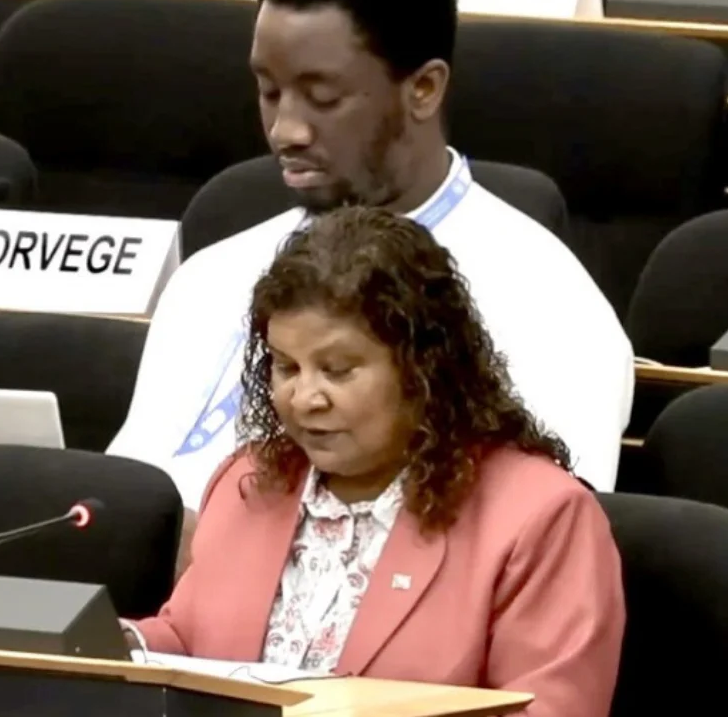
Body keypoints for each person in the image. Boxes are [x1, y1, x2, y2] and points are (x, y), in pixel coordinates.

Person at [105, 0, 634, 570]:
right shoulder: (208, 277)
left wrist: (218, 562)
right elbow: (128, 493)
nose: (284, 131)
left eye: (322, 98)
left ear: (424, 89)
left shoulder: (550, 304)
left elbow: (536, 551)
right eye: (269, 91)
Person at [125, 207, 625, 717]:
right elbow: (188, 643)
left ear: (423, 369)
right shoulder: (249, 481)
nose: (304, 398)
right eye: (286, 367)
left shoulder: (541, 518)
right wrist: (121, 648)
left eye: (337, 370)